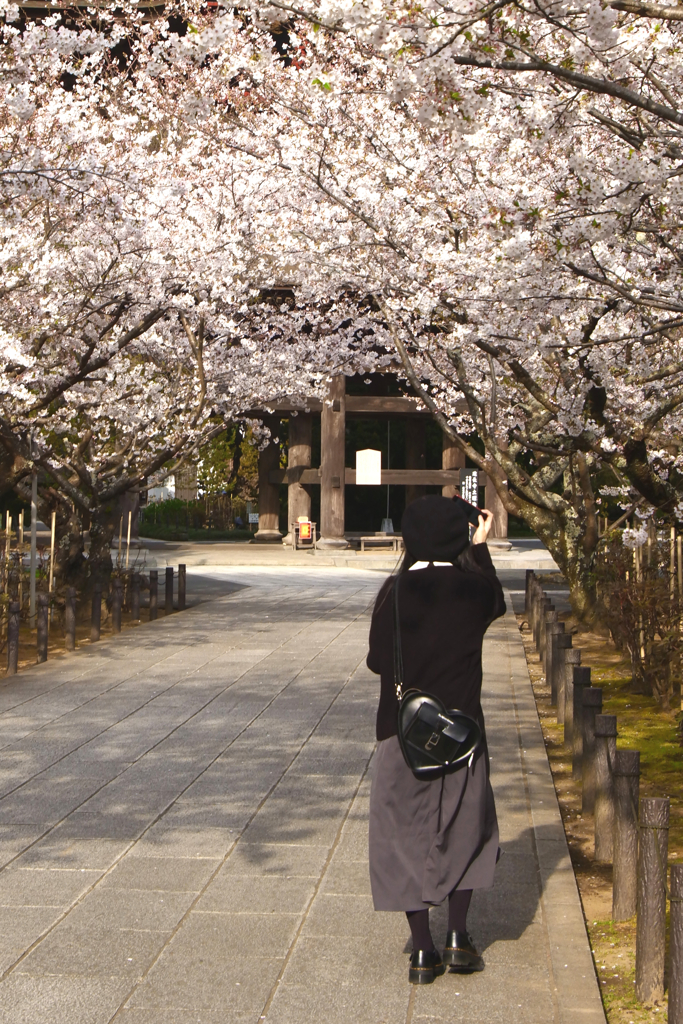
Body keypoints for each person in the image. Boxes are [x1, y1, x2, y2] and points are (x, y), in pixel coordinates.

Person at [366, 494, 506, 985]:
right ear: (458, 535)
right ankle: (459, 937)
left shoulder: (394, 591)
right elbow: (497, 600)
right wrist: (482, 546)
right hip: (464, 736)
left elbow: (378, 661)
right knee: (466, 831)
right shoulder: (473, 591)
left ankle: (423, 951)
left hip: (403, 737)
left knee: (402, 837)